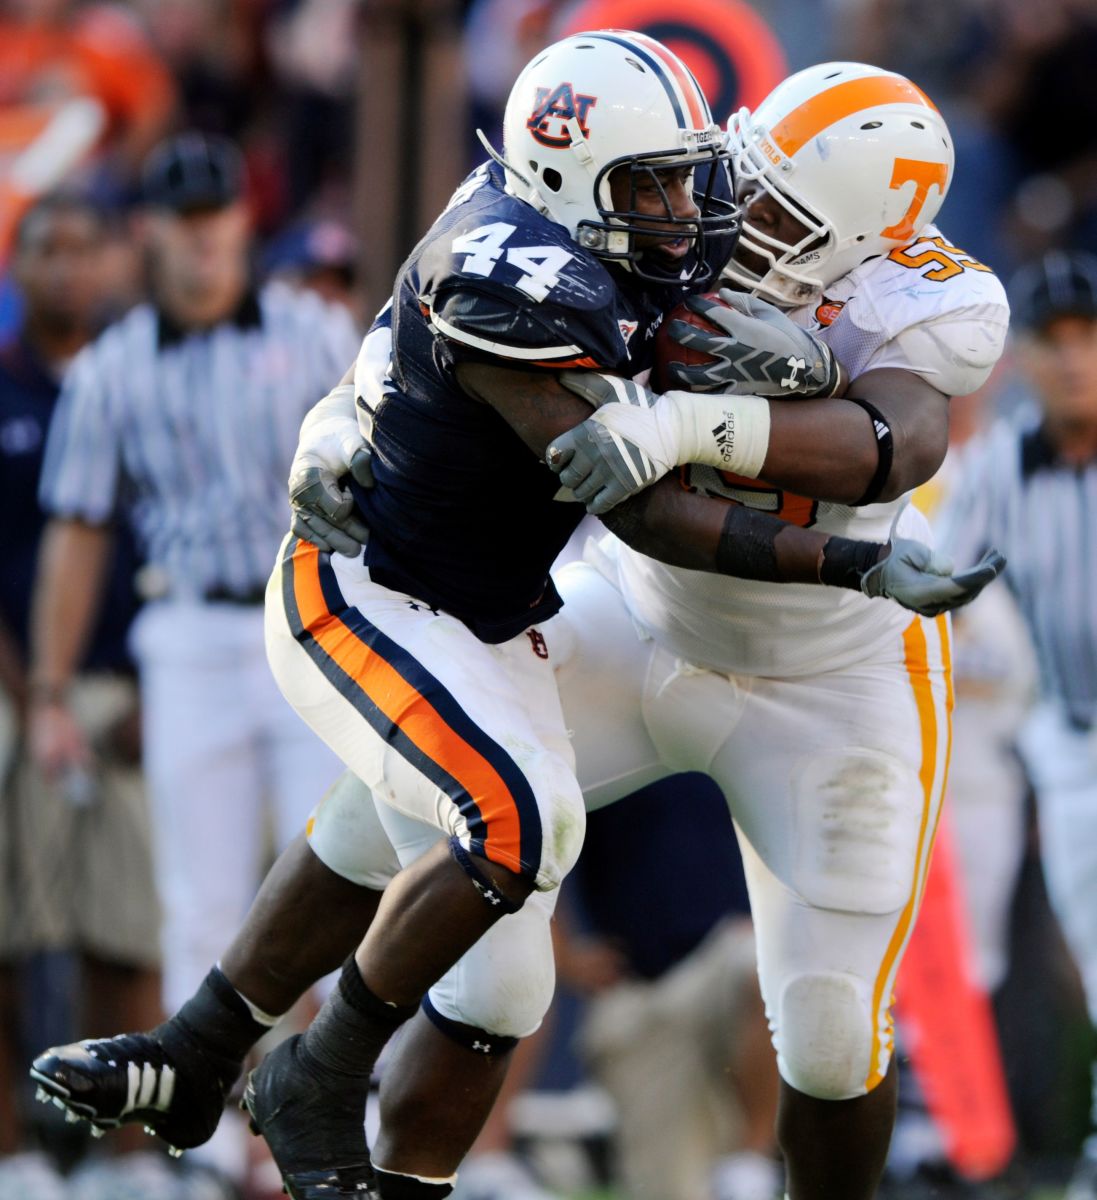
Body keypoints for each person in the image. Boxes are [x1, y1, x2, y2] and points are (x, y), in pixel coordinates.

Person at [31, 43, 1004, 1200]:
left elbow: (894, 440)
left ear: (873, 243)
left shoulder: (932, 298)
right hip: (642, 608)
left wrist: (698, 432)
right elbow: (415, 342)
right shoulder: (617, 212)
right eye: (731, 178)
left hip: (832, 673)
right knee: (441, 805)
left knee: (835, 1029)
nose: (725, 221)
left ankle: (258, 1065)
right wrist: (333, 436)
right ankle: (226, 1062)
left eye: (776, 212)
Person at [24, 132, 358, 1192]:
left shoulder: (315, 330)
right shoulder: (113, 367)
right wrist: (47, 687)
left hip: (316, 617)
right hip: (190, 633)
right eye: (181, 220)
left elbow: (383, 481)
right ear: (149, 235)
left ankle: (324, 1110)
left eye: (217, 217)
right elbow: (77, 531)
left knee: (343, 870)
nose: (203, 239)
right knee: (199, 894)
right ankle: (207, 1135)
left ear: (242, 222)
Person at [0, 193, 163, 1200]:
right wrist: (29, 693)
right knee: (7, 934)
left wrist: (154, 680)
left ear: (113, 263)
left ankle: (130, 1155)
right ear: (17, 268)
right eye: (45, 250)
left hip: (127, 686)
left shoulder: (140, 384)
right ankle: (12, 1154)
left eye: (84, 249)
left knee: (128, 925)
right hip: (15, 687)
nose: (67, 268)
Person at [931, 249, 1097, 1200]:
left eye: (1088, 342)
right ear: (1024, 359)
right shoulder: (999, 466)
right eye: (1054, 344)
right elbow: (941, 589)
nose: (1074, 363)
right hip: (1059, 738)